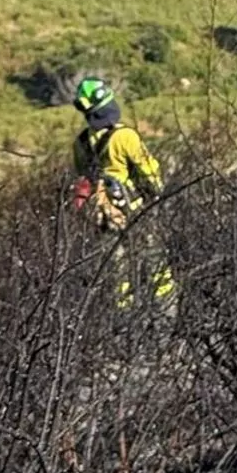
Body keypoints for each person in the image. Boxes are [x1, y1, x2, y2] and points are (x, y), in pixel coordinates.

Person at [68, 77, 173, 305]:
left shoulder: (80, 143)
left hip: (103, 218)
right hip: (135, 214)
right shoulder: (125, 136)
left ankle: (122, 321)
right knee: (157, 271)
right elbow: (150, 175)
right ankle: (164, 319)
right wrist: (157, 195)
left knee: (118, 277)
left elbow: (82, 175)